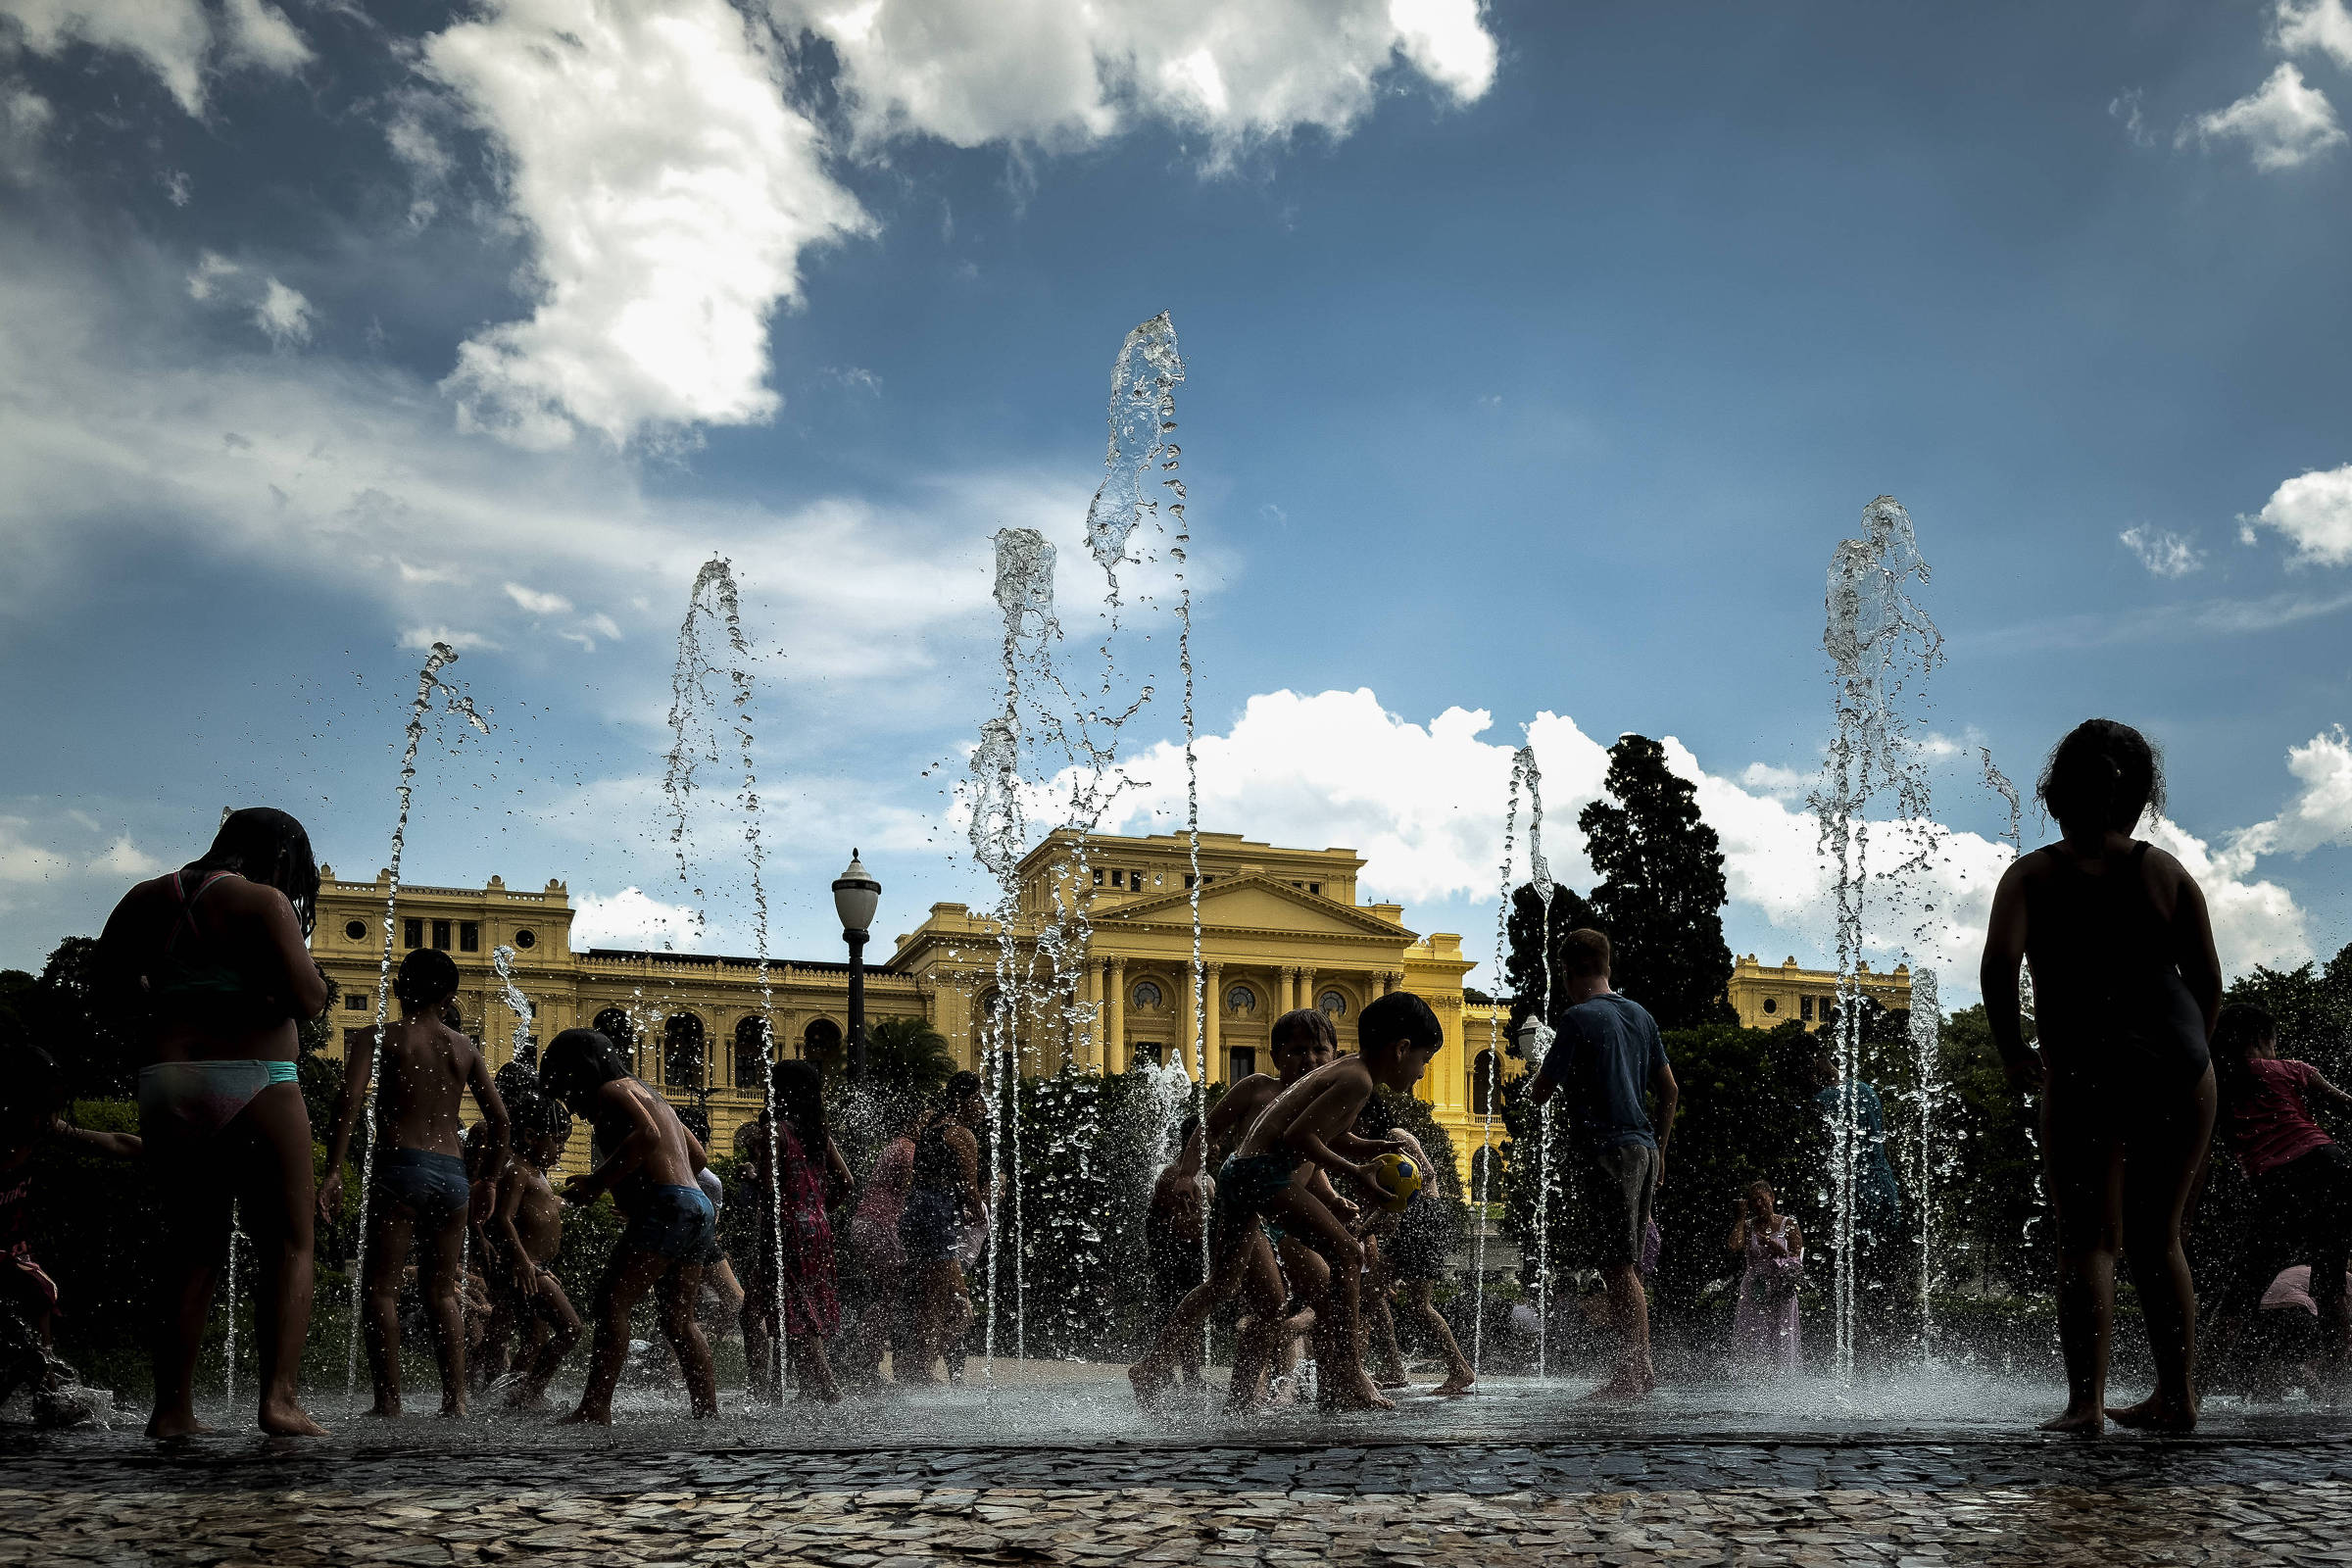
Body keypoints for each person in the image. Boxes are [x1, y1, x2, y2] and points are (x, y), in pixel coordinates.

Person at [1981, 718, 2222, 1435]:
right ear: (2141, 795)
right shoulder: (2165, 872)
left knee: (2087, 1239)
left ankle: (2085, 1405)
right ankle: (2177, 1398)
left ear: (2056, 794)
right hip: (2179, 1063)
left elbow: (1998, 969)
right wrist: (2193, 1057)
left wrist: (2013, 1050)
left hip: (2087, 1066)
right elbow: (2208, 978)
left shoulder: (2033, 876)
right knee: (2160, 1237)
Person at [97, 807, 332, 1439]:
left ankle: (171, 1410)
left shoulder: (145, 898)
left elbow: (107, 990)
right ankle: (278, 1402)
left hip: (169, 1079)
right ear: (282, 858)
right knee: (289, 1242)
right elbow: (310, 999)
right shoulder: (264, 903)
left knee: (192, 1248)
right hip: (258, 1076)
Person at [1129, 991, 1443, 1411]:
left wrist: (1365, 1153)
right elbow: (1296, 1139)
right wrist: (1357, 1174)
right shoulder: (1353, 1080)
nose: (1423, 1072)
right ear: (1402, 1049)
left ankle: (1169, 1371)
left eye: (1319, 1049)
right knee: (1348, 1254)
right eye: (1424, 1060)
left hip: (1247, 1180)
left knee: (1235, 1288)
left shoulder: (1345, 1077)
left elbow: (1325, 1140)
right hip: (1263, 1179)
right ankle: (1349, 1372)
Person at [318, 947, 512, 1418]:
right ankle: (457, 1402)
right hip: (452, 1175)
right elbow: (501, 1121)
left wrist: (334, 1170)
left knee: (381, 1289)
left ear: (399, 990)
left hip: (399, 1166)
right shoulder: (465, 1048)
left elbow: (349, 1101)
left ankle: (388, 1403)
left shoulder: (378, 1038)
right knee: (442, 1292)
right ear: (449, 997)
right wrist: (486, 1180)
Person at [538, 1026, 717, 1423]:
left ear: (579, 1073)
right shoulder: (651, 1094)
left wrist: (597, 1182)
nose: (572, 1106)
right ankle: (707, 1412)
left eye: (568, 1092)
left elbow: (648, 1136)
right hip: (697, 1206)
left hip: (669, 1205)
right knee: (678, 1320)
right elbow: (699, 1158)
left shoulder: (610, 1091)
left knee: (612, 1303)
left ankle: (595, 1407)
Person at [1529, 928, 1679, 1401]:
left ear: (1568, 972)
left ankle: (1636, 1372)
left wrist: (1543, 1064)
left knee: (1618, 1266)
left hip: (1609, 1151)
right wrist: (1662, 1151)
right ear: (1607, 965)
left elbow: (1540, 1091)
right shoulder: (1641, 1015)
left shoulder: (1576, 1018)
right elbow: (1670, 1091)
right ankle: (1637, 1370)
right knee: (1624, 1263)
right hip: (1644, 1148)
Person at [2200, 1003, 2352, 1395]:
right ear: (2260, 1039)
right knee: (2331, 1283)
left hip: (2280, 1179)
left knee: (2242, 1291)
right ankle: (2338, 1391)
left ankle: (2189, 1390)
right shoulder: (2292, 1068)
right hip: (2329, 1162)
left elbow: (2196, 1152)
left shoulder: (2217, 1082)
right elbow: (2346, 1104)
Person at [0, 1044, 142, 1425]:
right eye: (42, 1109)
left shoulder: (44, 1129)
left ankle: (45, 1390)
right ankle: (42, 1385)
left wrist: (169, 1153)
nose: (49, 1118)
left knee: (40, 1295)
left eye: (55, 1109)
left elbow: (113, 1142)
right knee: (34, 1294)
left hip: (13, 1246)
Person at [1203, 1006, 1337, 1407]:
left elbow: (1309, 1162)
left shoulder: (1325, 1101)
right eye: (1297, 1051)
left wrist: (1331, 1197)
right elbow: (1208, 1127)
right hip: (1250, 1213)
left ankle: (1328, 1387)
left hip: (1286, 1217)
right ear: (1276, 1056)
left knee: (1328, 1294)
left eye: (1319, 1050)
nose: (1309, 1059)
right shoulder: (1259, 1090)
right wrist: (1189, 1171)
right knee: (1250, 1298)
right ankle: (1166, 1365)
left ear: (1333, 1054)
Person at [740, 1060, 849, 1402]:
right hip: (816, 1228)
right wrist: (815, 1211)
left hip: (783, 1230)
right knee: (779, 1307)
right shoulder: (818, 1134)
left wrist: (753, 1175)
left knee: (796, 1312)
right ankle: (790, 1389)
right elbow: (846, 1182)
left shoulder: (777, 1132)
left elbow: (771, 1187)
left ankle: (827, 1390)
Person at [1361, 1121, 1475, 1397]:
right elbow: (1391, 1205)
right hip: (1414, 1221)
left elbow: (1427, 1172)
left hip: (1423, 1220)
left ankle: (1459, 1370)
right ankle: (1392, 1369)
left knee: (1417, 1305)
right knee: (1371, 1293)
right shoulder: (1384, 1158)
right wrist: (1362, 1228)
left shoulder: (1395, 1135)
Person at [488, 1095, 582, 1409]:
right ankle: (530, 1392)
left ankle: (511, 1398)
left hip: (535, 1267)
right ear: (529, 1136)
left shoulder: (535, 1172)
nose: (562, 1149)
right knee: (571, 1328)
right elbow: (502, 1218)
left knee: (535, 1338)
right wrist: (524, 1261)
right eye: (556, 1141)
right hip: (527, 1270)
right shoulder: (518, 1171)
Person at [899, 1073, 986, 1385]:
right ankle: (918, 1369)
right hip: (937, 1218)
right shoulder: (961, 1135)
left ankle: (914, 1368)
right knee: (960, 1307)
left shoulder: (932, 1128)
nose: (983, 1107)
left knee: (931, 1301)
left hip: (915, 1214)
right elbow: (970, 1189)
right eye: (979, 1099)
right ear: (964, 1100)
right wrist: (978, 1216)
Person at [844, 1094, 921, 1386]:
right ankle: (865, 1360)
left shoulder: (893, 1146)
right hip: (882, 1226)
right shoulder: (907, 1148)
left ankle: (864, 1359)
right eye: (924, 1118)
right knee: (892, 1294)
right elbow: (906, 1192)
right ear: (912, 1121)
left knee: (885, 1293)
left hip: (867, 1223)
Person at [1144, 1114, 1211, 1390]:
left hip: (1190, 1256)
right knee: (1177, 1316)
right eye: (1209, 1141)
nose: (1216, 1147)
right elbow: (1169, 1222)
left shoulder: (1204, 1177)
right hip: (1174, 1258)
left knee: (1190, 1318)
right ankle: (1164, 1374)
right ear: (1192, 1141)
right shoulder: (1173, 1175)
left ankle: (1191, 1377)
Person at [1728, 1181, 1803, 1376]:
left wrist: (1775, 1247)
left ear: (1772, 1198)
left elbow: (1796, 1261)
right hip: (1755, 1288)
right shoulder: (1749, 1225)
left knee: (1781, 1334)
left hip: (1781, 1288)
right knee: (1754, 1334)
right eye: (1754, 1201)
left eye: (1762, 1199)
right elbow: (1733, 1246)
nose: (1759, 1204)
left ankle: (1782, 1379)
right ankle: (1753, 1376)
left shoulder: (1789, 1224)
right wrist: (1740, 1218)